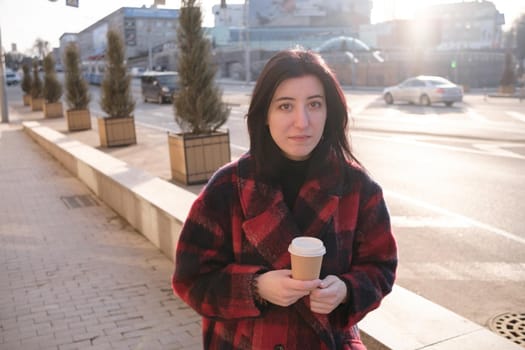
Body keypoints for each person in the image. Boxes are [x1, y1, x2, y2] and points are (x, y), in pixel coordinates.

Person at [172, 48, 397, 350]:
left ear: (329, 112)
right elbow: (190, 280)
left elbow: (381, 268)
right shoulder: (227, 187)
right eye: (285, 106)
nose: (302, 122)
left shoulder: (359, 188)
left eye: (314, 104)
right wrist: (255, 287)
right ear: (265, 114)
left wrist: (345, 290)